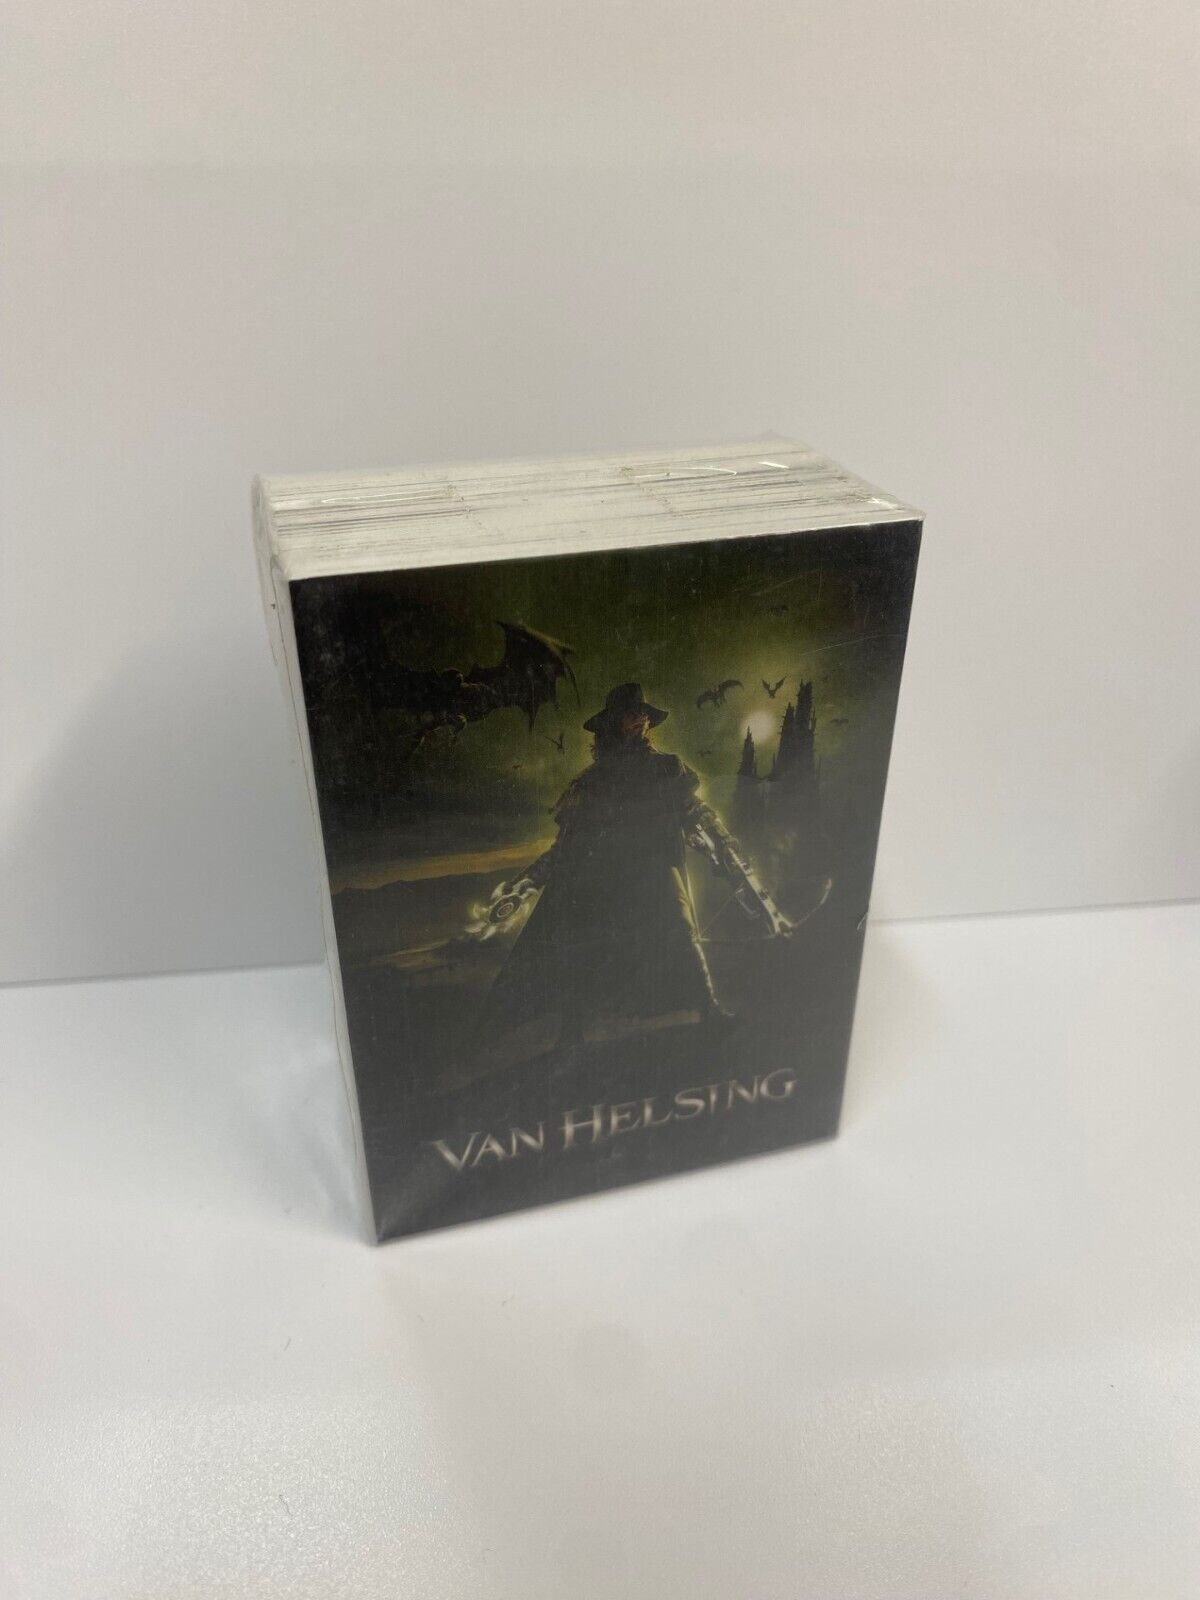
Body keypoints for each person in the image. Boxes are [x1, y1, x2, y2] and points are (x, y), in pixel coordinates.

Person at [472, 682, 761, 1061]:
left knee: (680, 930)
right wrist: (526, 883)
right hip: (603, 876)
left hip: (654, 871)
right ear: (613, 724)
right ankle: (571, 1034)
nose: (639, 719)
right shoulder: (592, 782)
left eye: (642, 713)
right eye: (630, 714)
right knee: (587, 947)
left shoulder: (666, 768)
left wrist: (723, 844)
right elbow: (567, 846)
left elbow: (694, 813)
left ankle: (709, 1010)